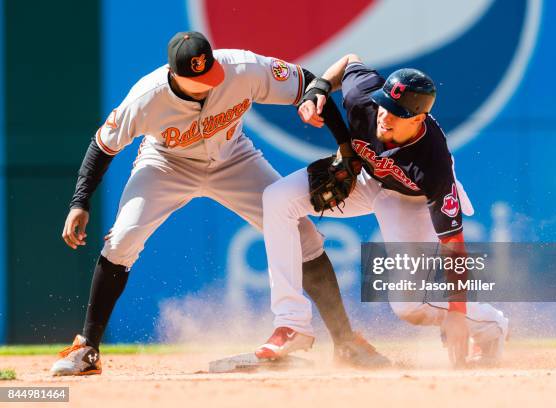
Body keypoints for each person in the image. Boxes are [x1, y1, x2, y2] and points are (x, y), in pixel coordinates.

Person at [51, 33, 390, 376]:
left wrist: (345, 147)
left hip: (233, 158)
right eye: (196, 80)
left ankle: (346, 342)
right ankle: (87, 347)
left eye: (208, 74)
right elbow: (102, 146)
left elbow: (309, 85)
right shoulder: (146, 96)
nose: (207, 84)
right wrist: (80, 201)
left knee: (303, 236)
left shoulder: (242, 68)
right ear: (174, 74)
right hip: (166, 164)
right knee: (122, 240)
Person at [255, 54, 509, 366]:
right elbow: (349, 61)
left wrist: (456, 313)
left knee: (409, 307)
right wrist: (319, 87)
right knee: (277, 198)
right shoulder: (364, 98)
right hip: (365, 177)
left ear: (418, 119)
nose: (385, 116)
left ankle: (491, 325)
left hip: (411, 201)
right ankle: (291, 323)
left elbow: (454, 245)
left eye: (397, 113)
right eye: (385, 104)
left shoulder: (433, 163)